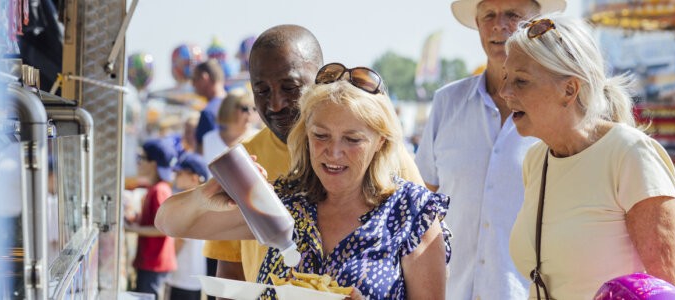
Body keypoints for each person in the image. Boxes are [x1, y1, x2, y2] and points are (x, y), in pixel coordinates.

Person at [155, 63, 451, 299]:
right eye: (320, 135)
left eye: (352, 139)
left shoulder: (411, 212)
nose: (334, 152)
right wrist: (205, 195)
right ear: (304, 136)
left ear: (380, 143)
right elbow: (169, 222)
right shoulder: (286, 202)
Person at [502, 16, 675, 298]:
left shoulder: (630, 155)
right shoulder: (536, 160)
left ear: (569, 89)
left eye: (521, 81)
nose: (505, 92)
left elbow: (669, 291)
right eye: (506, 78)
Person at [414, 0, 566, 299]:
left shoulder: (560, 108)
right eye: (488, 15)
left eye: (512, 14)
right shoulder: (447, 103)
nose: (499, 25)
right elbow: (421, 207)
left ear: (538, 22)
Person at [201, 25, 324, 288]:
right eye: (262, 90)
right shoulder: (242, 162)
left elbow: (422, 248)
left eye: (289, 86)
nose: (276, 103)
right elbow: (230, 271)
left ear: (320, 80)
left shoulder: (369, 150)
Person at [125, 138, 178, 298]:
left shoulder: (159, 190)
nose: (138, 162)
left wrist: (132, 229)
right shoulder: (154, 189)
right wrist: (135, 221)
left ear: (153, 164)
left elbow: (164, 229)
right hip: (150, 262)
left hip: (154, 263)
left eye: (142, 158)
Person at [164, 153, 210, 300]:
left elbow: (180, 240)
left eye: (179, 173)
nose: (175, 176)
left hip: (182, 277)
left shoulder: (191, 204)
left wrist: (167, 263)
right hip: (193, 277)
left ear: (194, 178)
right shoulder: (203, 203)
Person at [201, 88, 259, 163]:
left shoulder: (258, 136)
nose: (250, 112)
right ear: (229, 109)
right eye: (245, 108)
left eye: (254, 108)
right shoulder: (209, 138)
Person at [193, 59, 228, 154]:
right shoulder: (239, 106)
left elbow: (202, 153)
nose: (193, 84)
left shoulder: (208, 112)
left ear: (205, 78)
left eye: (194, 79)